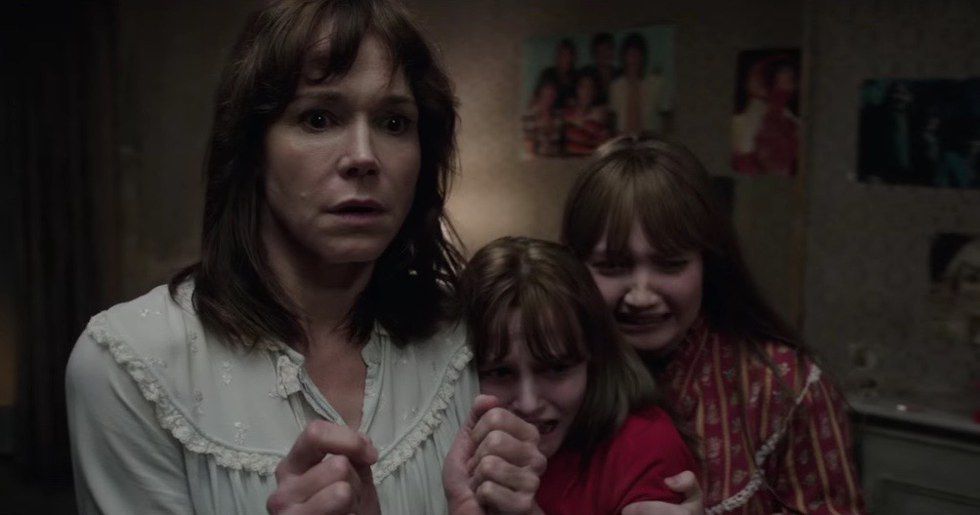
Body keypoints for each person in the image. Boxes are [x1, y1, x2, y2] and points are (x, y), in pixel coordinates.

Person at [65, 1, 542, 514]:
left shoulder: (461, 334)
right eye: (318, 118)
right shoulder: (132, 366)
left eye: (394, 122)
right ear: (253, 148)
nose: (364, 156)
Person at [561, 134, 867, 514]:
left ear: (707, 262)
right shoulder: (544, 379)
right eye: (612, 266)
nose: (641, 296)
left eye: (670, 264)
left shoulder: (785, 387)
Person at [456, 236, 699, 514]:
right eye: (500, 372)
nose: (529, 403)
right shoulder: (449, 443)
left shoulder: (644, 446)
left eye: (556, 369)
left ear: (594, 360)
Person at [609, 33, 672, 135]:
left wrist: (663, 137)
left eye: (637, 55)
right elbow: (614, 117)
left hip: (650, 137)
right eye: (630, 55)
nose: (633, 59)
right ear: (624, 58)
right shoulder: (616, 86)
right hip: (624, 137)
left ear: (643, 57)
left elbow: (666, 114)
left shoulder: (657, 83)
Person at [562, 71, 612, 156]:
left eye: (591, 87)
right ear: (576, 89)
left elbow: (604, 145)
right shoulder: (566, 114)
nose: (587, 91)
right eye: (583, 87)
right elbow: (565, 145)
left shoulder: (600, 115)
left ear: (595, 91)